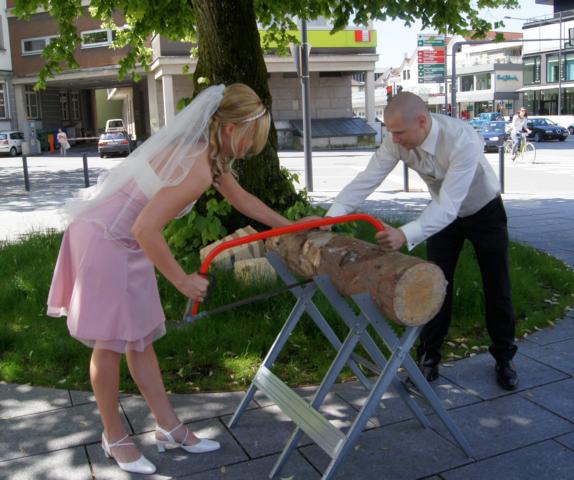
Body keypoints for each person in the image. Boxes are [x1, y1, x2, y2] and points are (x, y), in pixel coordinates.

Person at [47, 84, 305, 475]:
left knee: (140, 337)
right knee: (109, 343)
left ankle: (168, 427)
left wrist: (293, 226)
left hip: (127, 239)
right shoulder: (198, 166)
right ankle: (114, 437)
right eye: (251, 139)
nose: (251, 150)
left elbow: (243, 201)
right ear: (231, 129)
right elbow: (145, 228)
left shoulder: (209, 158)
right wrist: (182, 280)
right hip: (104, 239)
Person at [326, 92, 518, 391]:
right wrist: (330, 217)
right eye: (391, 132)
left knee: (497, 285)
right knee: (434, 283)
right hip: (441, 214)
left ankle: (504, 358)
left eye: (399, 133)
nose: (394, 139)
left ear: (422, 122)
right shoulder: (397, 139)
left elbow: (450, 204)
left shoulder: (462, 139)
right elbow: (368, 178)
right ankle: (429, 358)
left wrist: (405, 234)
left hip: (484, 211)